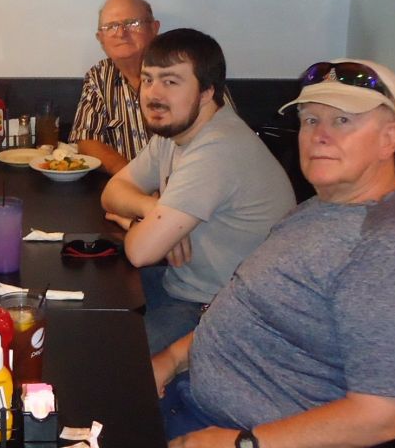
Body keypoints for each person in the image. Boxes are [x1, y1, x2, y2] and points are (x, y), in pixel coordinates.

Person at [65, 59, 395, 448]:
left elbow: (383, 415)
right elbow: (246, 309)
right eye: (310, 120)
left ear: (389, 138)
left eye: (342, 121)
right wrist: (172, 358)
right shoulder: (317, 210)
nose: (319, 135)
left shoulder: (391, 249)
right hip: (200, 402)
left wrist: (241, 447)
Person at [101, 29, 296, 353]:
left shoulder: (218, 148)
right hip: (182, 284)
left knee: (113, 359)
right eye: (148, 79)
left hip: (223, 311)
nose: (153, 93)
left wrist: (143, 225)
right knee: (88, 300)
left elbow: (141, 252)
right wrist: (152, 210)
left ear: (207, 91)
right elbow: (112, 192)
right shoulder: (174, 133)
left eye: (170, 81)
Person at [69, 0, 160, 175]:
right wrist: (131, 177)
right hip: (124, 184)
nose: (121, 33)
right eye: (111, 26)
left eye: (132, 23)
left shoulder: (182, 71)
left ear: (154, 28)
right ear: (100, 38)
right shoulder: (99, 76)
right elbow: (86, 139)